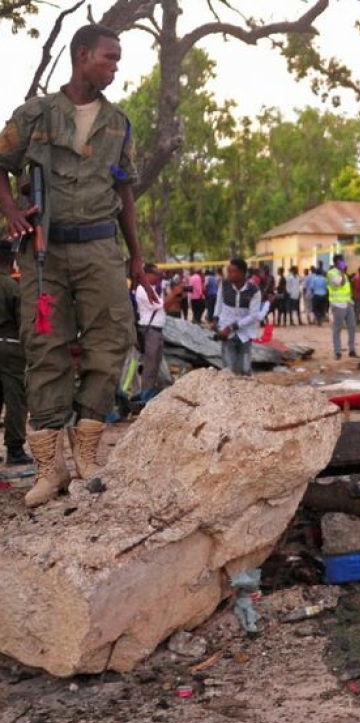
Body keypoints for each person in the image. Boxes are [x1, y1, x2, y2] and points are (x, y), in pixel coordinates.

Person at [0, 24, 153, 504]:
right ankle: (50, 468)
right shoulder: (35, 114)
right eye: (109, 58)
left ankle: (87, 450)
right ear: (82, 55)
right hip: (45, 248)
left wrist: (137, 257)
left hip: (100, 248)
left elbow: (124, 188)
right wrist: (9, 212)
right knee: (46, 348)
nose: (114, 67)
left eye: (117, 60)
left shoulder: (119, 121)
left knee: (113, 338)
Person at [0, 249, 30, 464]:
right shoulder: (11, 286)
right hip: (10, 347)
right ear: (11, 262)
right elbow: (23, 322)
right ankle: (15, 449)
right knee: (15, 399)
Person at [214, 257, 260, 376]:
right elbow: (218, 304)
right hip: (226, 333)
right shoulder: (224, 285)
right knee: (228, 371)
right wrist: (215, 321)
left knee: (245, 370)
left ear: (242, 273)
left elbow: (253, 316)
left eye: (232, 271)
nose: (229, 274)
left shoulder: (254, 291)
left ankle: (245, 393)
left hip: (245, 333)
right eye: (228, 271)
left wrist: (232, 327)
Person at [135, 263, 174, 393]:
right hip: (150, 331)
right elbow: (161, 305)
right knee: (150, 367)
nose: (157, 277)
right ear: (146, 275)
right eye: (155, 274)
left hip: (156, 331)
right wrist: (175, 292)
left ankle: (150, 393)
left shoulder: (153, 289)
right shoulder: (142, 290)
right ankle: (145, 395)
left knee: (155, 366)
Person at [327, 255, 357, 360]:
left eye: (343, 261)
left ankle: (352, 350)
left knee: (352, 327)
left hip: (348, 303)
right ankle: (338, 352)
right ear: (336, 262)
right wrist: (342, 271)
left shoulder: (343, 273)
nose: (343, 263)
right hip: (338, 304)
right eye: (341, 261)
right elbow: (340, 283)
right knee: (337, 329)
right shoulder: (331, 273)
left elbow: (347, 287)